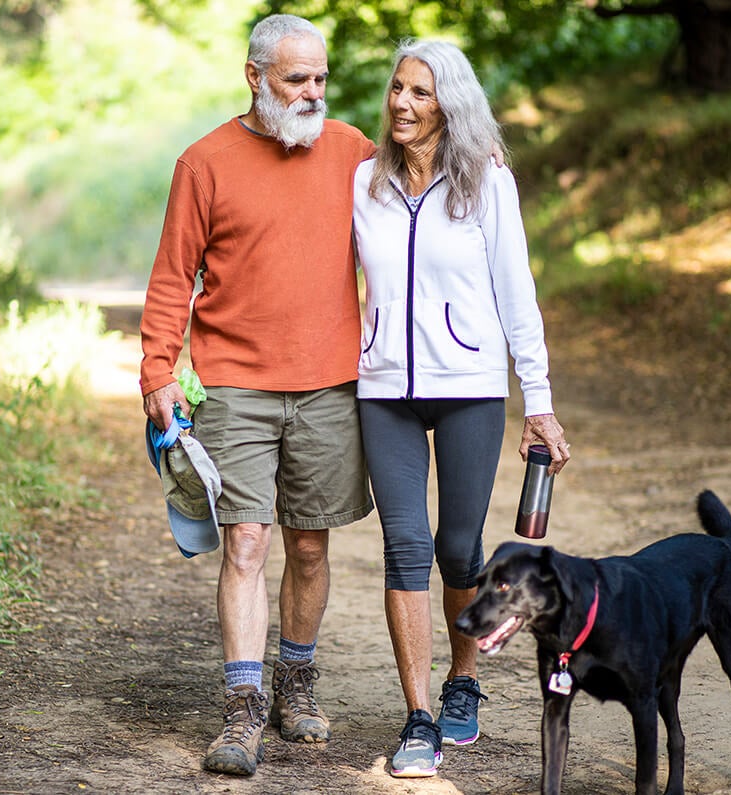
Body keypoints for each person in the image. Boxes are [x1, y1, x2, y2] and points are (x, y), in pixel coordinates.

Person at [138, 14, 378, 777]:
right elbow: (173, 276)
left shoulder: (351, 151)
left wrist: (483, 155)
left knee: (311, 542)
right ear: (254, 77)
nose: (312, 94)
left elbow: (427, 192)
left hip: (332, 383)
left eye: (320, 79)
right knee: (247, 539)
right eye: (295, 79)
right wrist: (157, 372)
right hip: (235, 383)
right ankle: (241, 710)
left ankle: (296, 684)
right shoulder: (204, 162)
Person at [351, 39, 572, 778]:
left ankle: (464, 678)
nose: (403, 105)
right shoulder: (365, 184)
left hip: (470, 388)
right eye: (397, 90)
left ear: (450, 103)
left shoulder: (487, 185)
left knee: (458, 548)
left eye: (420, 92)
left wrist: (536, 401)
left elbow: (518, 295)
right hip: (385, 390)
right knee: (406, 546)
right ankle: (419, 716)